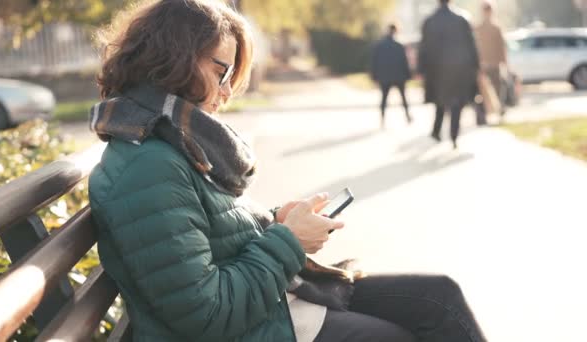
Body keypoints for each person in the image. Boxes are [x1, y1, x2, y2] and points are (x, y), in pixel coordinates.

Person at [88, 0, 487, 341]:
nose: (226, 91)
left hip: (274, 301)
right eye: (221, 72)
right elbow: (206, 314)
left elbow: (208, 233)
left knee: (440, 296)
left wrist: (275, 221)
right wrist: (289, 240)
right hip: (254, 322)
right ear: (174, 57)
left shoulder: (169, 139)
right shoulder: (149, 165)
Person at [418, 0, 480, 149]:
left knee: (440, 100)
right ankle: (453, 135)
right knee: (457, 102)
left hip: (437, 69)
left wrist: (421, 69)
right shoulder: (462, 19)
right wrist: (476, 66)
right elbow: (472, 44)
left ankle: (437, 130)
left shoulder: (429, 21)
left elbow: (423, 47)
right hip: (459, 69)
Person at [371, 23, 413, 128]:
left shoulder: (379, 45)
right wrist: (408, 75)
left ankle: (382, 119)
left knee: (384, 98)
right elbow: (404, 62)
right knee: (403, 98)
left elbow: (374, 62)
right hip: (398, 76)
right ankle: (407, 116)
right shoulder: (399, 46)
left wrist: (374, 76)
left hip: (385, 77)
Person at [473, 1, 508, 125]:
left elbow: (501, 47)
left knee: (498, 89)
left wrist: (504, 64)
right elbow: (474, 48)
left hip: (494, 64)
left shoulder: (496, 27)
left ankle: (498, 112)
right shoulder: (477, 28)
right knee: (481, 92)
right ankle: (482, 116)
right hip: (482, 65)